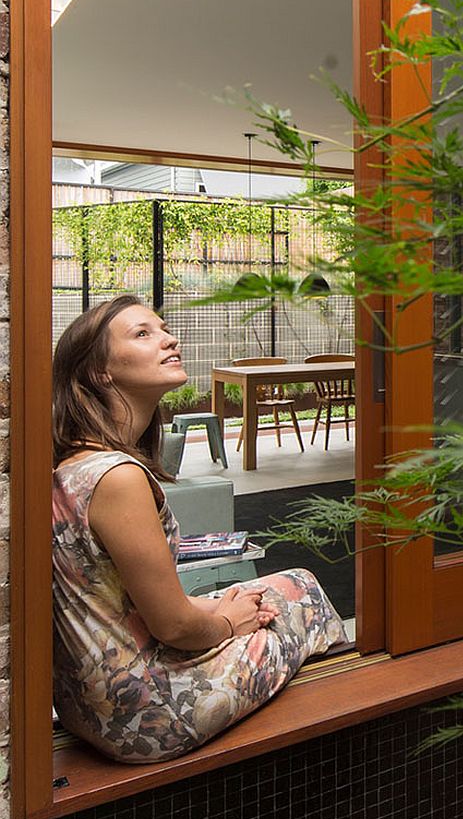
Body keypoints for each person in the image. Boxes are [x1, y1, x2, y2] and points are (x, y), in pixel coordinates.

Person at [51, 294, 347, 763]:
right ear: (98, 372)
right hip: (148, 713)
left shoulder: (73, 463)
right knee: (303, 592)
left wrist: (221, 606)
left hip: (88, 705)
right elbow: (172, 625)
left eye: (163, 329)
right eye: (143, 334)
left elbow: (124, 603)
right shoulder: (117, 478)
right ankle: (332, 751)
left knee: (266, 591)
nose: (170, 339)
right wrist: (229, 620)